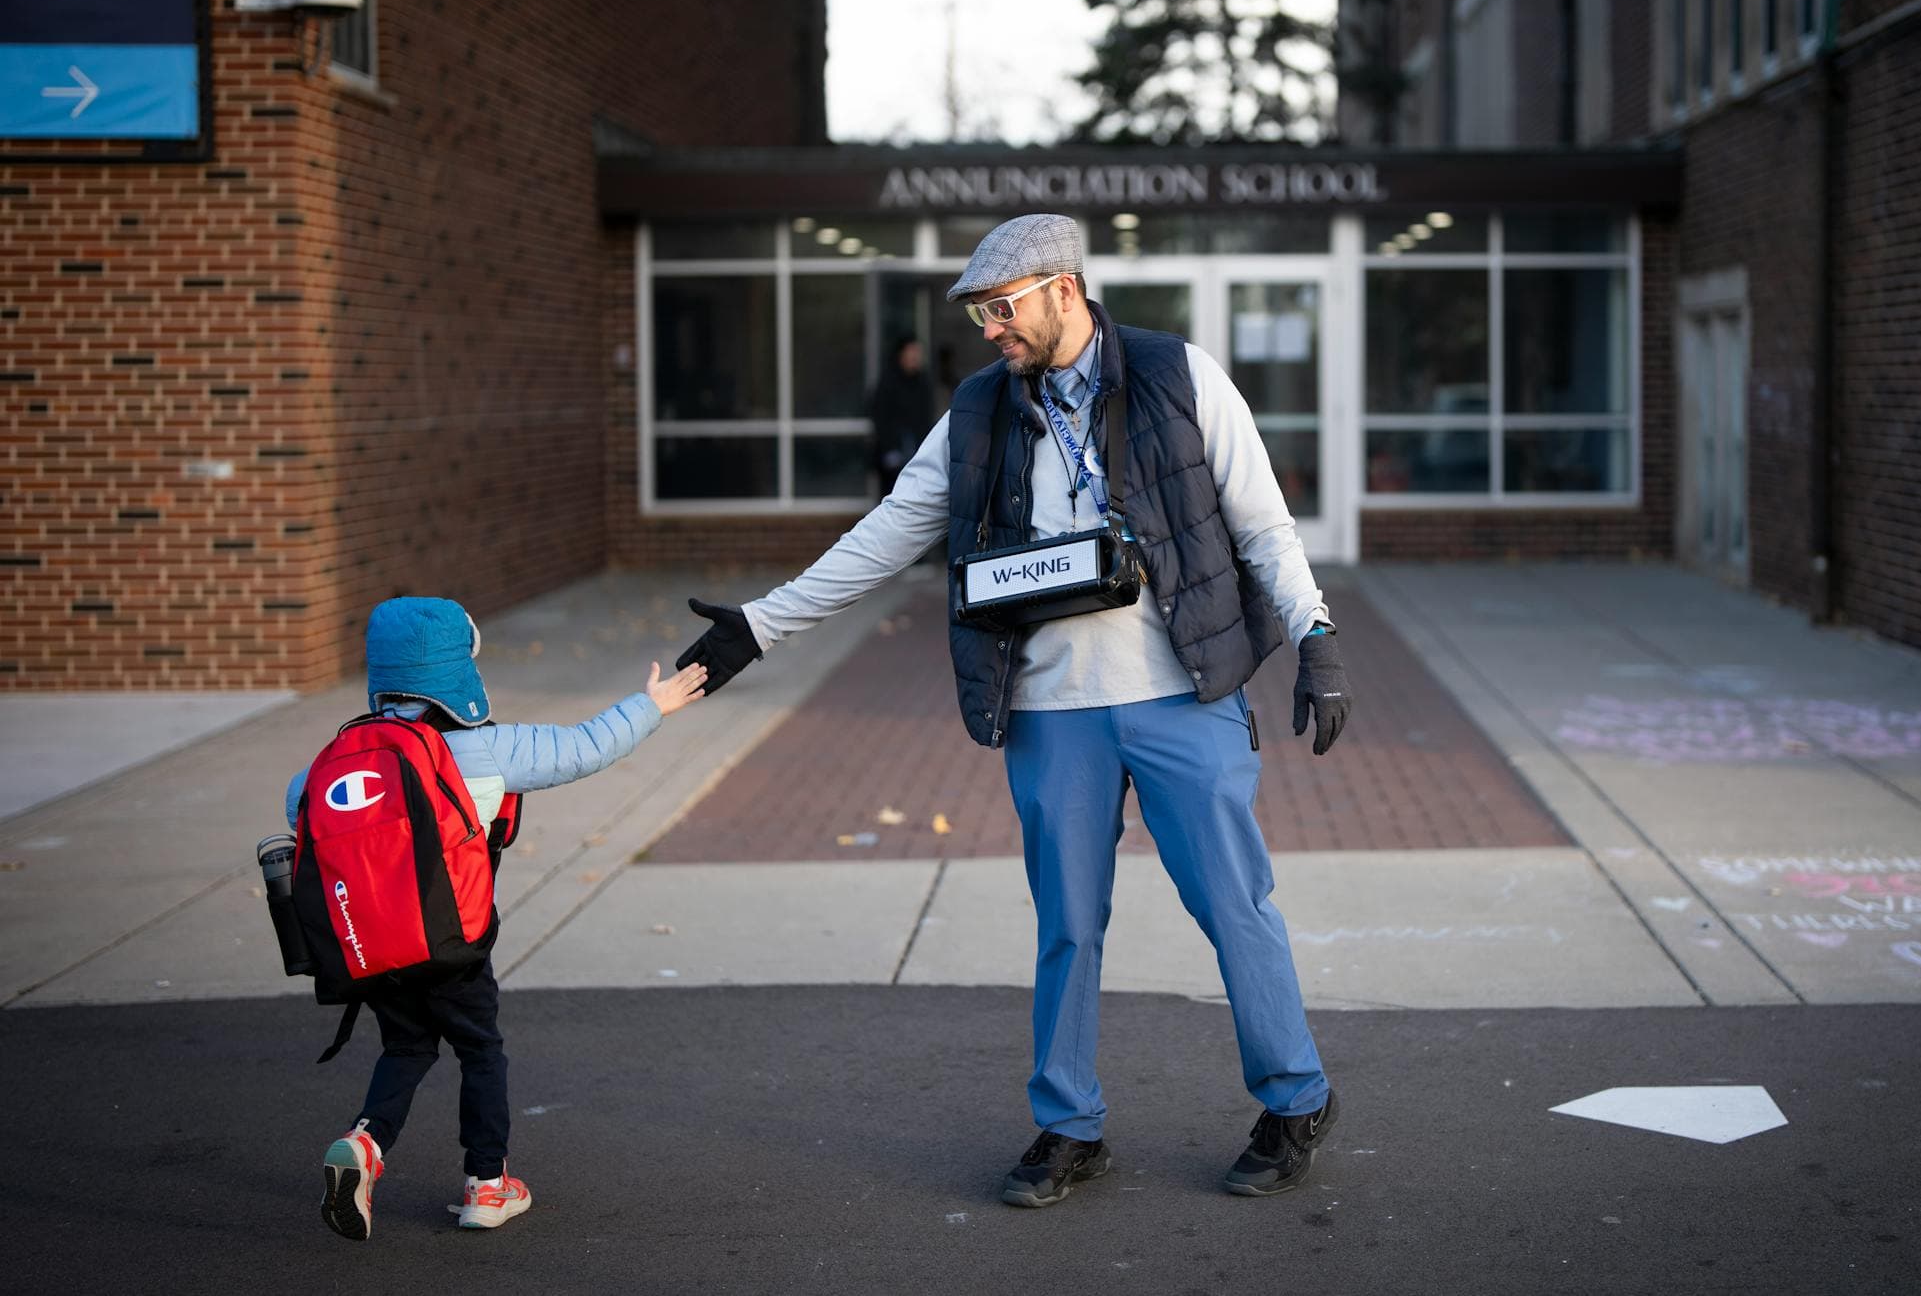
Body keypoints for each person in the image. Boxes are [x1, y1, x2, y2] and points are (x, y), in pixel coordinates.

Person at [675, 213, 1353, 1207]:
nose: (990, 330)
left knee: (1232, 904)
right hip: (1052, 709)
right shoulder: (981, 411)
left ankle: (1296, 1097)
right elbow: (887, 533)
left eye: (1002, 309)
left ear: (1062, 289)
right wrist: (762, 624)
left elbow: (1263, 525)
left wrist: (1315, 637)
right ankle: (1069, 1123)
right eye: (981, 315)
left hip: (1183, 693)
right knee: (1066, 924)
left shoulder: (1179, 375)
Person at [289, 596, 709, 1240]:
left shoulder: (333, 759)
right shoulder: (484, 748)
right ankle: (487, 1185)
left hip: (373, 948)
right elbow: (583, 748)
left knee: (406, 1046)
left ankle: (366, 1144)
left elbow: (299, 810)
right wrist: (653, 705)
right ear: (457, 668)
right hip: (453, 945)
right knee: (480, 1050)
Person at [869, 334, 936, 498]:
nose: (915, 357)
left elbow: (927, 417)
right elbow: (880, 417)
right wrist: (889, 450)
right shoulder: (888, 382)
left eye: (917, 352)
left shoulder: (923, 383)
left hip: (918, 451)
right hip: (893, 455)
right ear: (901, 354)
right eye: (911, 352)